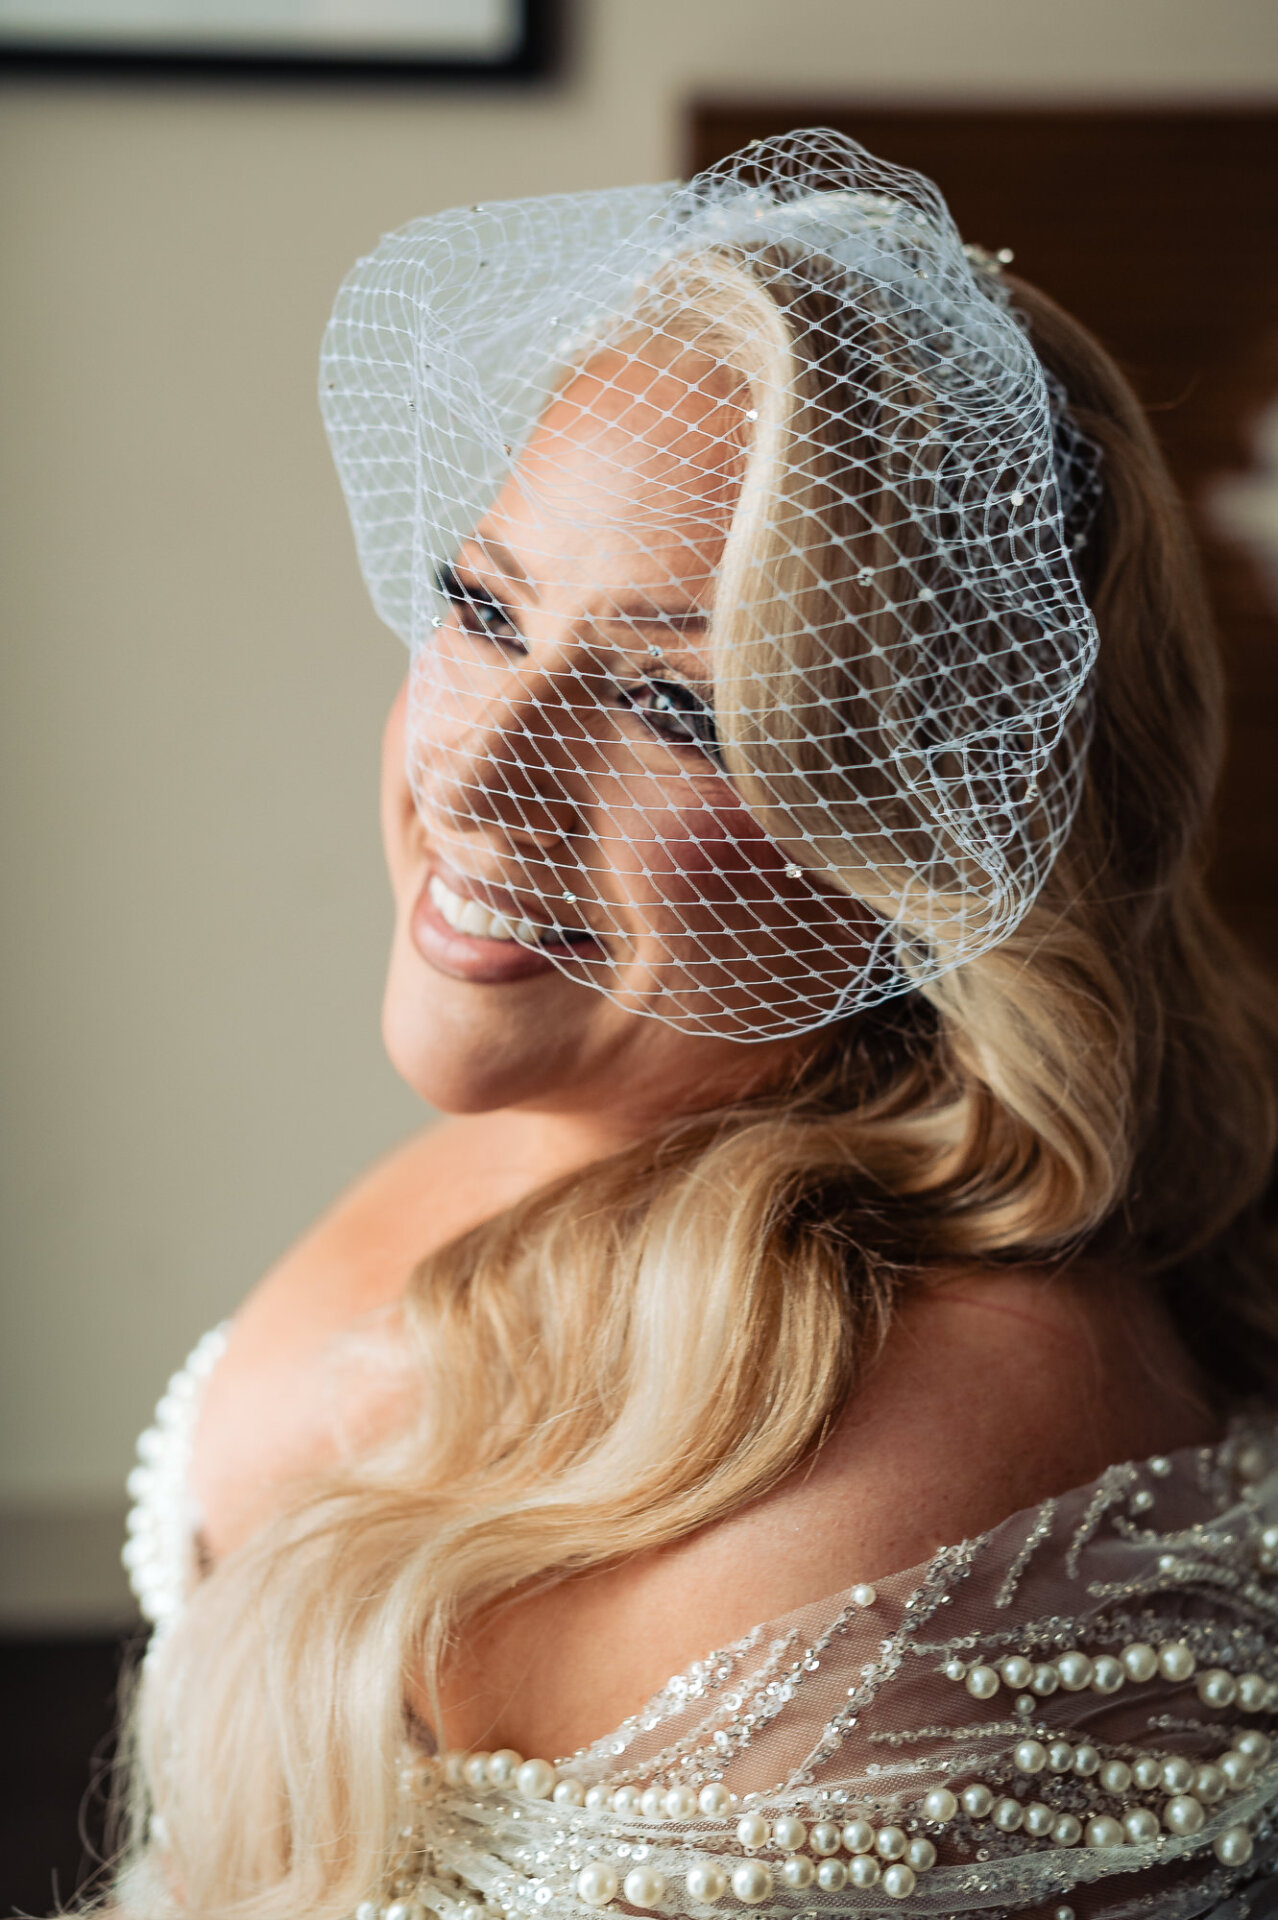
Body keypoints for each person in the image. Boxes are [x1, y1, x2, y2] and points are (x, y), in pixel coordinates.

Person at [114, 131, 1278, 1920]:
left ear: (939, 834)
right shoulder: (572, 1133)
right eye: (484, 607)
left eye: (679, 702)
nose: (473, 776)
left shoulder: (954, 1432)